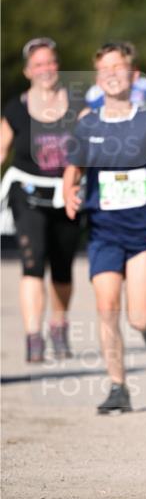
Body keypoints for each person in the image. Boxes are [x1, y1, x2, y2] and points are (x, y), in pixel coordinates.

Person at [63, 42, 146, 414]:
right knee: (106, 308)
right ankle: (118, 387)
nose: (112, 74)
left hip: (144, 233)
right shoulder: (88, 123)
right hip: (103, 231)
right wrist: (70, 191)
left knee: (136, 316)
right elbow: (74, 167)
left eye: (119, 67)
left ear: (133, 75)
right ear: (98, 79)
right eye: (105, 69)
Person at [0, 37, 82, 362]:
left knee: (62, 268)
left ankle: (58, 325)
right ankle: (33, 336)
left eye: (50, 62)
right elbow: (1, 148)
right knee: (32, 263)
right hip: (28, 191)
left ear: (57, 66)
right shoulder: (15, 109)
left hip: (68, 192)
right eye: (38, 64)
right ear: (27, 71)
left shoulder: (78, 105)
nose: (45, 69)